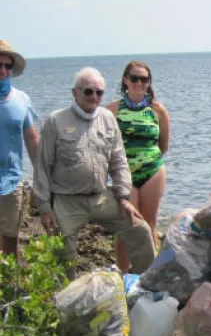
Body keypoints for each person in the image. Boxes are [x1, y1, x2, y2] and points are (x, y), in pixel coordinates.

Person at [33, 67, 155, 277]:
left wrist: (124, 197)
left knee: (140, 230)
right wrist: (44, 207)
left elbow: (119, 161)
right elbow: (42, 166)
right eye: (88, 91)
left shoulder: (108, 118)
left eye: (99, 92)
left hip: (102, 197)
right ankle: (66, 299)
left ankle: (151, 287)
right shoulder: (55, 121)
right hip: (66, 200)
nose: (94, 97)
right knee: (63, 253)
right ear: (75, 93)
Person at [106, 61, 170, 272]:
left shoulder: (157, 110)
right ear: (126, 80)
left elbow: (163, 145)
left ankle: (150, 276)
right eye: (135, 78)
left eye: (144, 79)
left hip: (153, 172)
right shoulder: (112, 110)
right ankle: (124, 275)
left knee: (149, 224)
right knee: (128, 227)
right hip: (125, 175)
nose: (139, 83)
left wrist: (147, 159)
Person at [0, 40, 40, 259]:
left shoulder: (21, 99)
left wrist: (43, 176)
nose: (3, 70)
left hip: (11, 182)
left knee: (10, 239)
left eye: (8, 66)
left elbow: (32, 139)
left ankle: (9, 288)